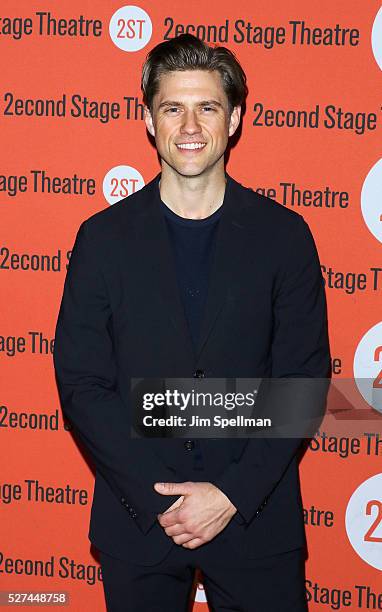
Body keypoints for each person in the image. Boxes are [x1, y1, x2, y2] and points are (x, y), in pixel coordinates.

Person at [53, 33, 330, 611]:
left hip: (257, 520)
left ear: (233, 121)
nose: (190, 126)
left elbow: (301, 383)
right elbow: (82, 384)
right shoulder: (101, 240)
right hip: (139, 523)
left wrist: (229, 494)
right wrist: (162, 500)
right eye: (172, 108)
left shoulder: (285, 237)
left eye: (208, 107)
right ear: (149, 121)